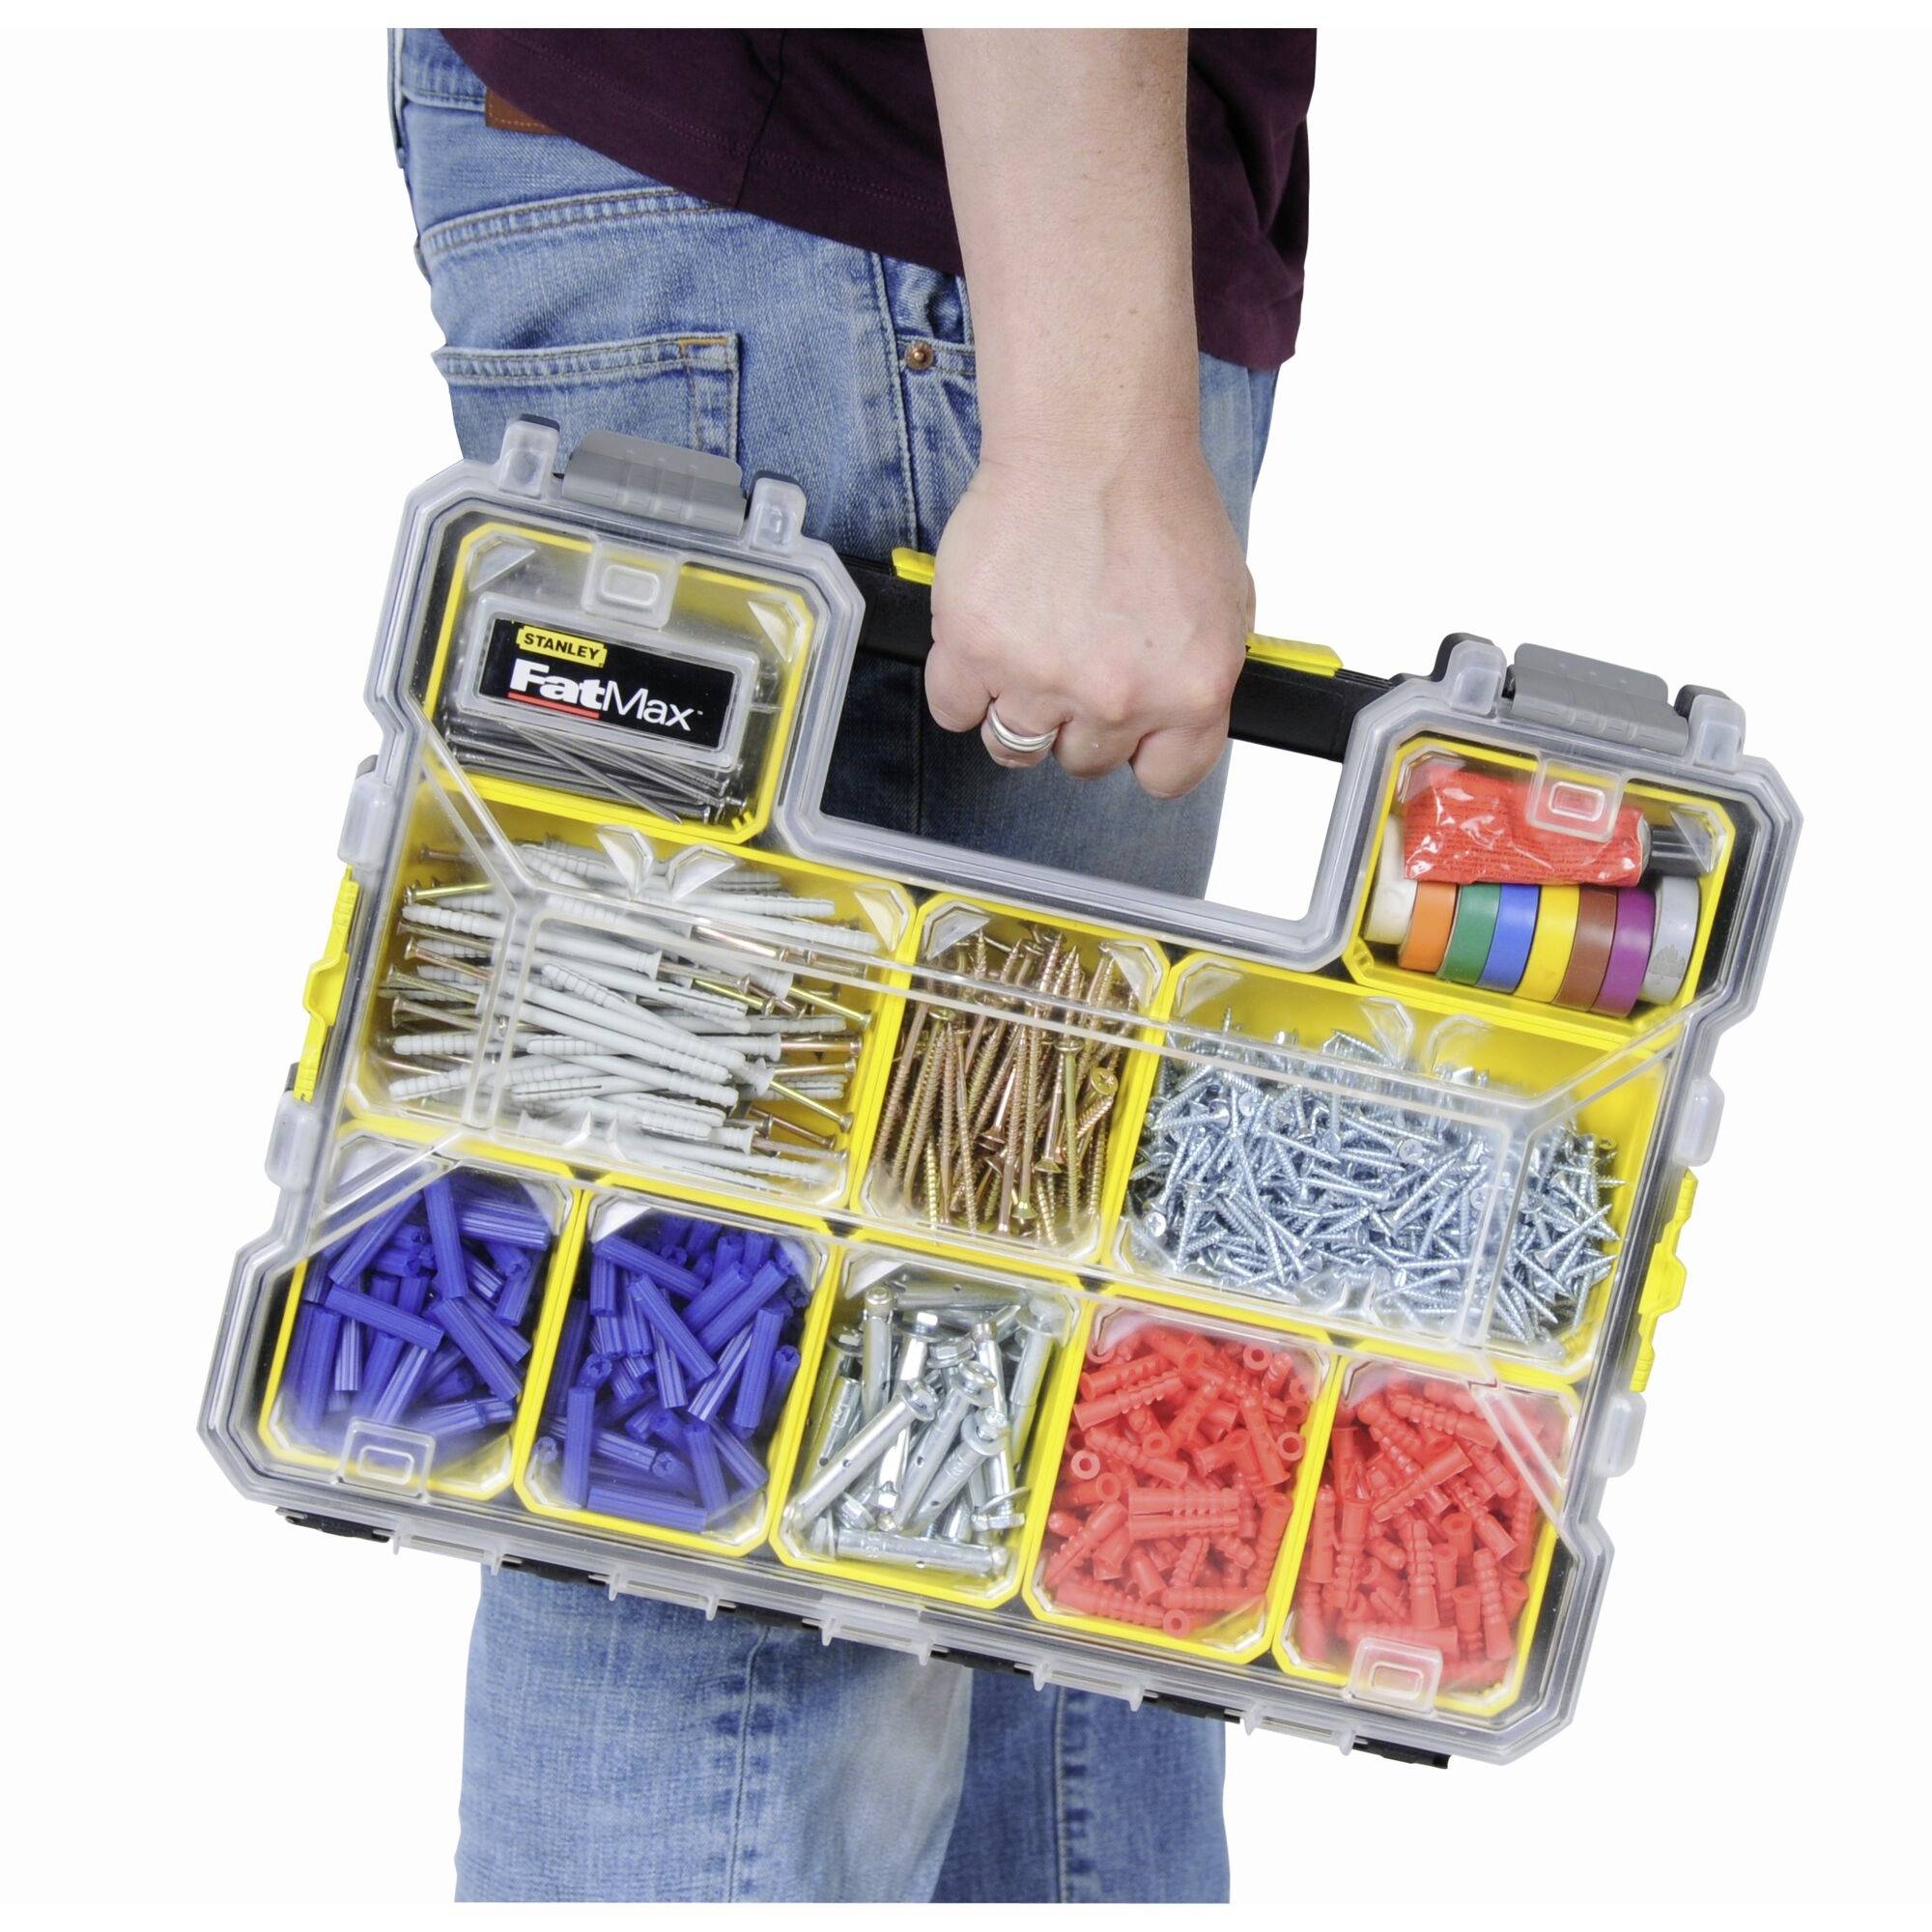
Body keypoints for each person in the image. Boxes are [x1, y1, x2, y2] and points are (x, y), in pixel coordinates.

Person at [390, 26, 1315, 1901]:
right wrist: (1078, 432)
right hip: (890, 243)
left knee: (1026, 1440)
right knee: (710, 1476)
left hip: (891, 221)